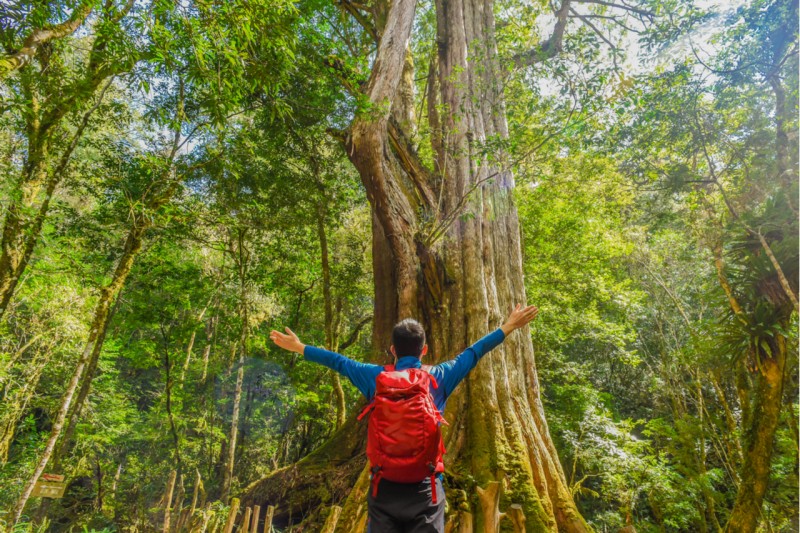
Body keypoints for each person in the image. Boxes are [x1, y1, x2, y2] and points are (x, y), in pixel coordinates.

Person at [269, 303, 539, 533]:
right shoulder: (439, 376)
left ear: (392, 350)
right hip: (426, 490)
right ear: (424, 350)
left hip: (383, 488)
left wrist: (300, 347)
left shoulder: (375, 377)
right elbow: (474, 352)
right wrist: (509, 325)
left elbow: (339, 361)